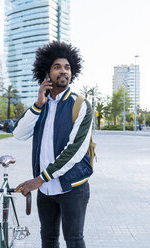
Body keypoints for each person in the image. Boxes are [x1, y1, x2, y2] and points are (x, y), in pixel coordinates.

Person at [13, 41, 93, 248]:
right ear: (47, 73)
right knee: (48, 240)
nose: (63, 71)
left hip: (72, 187)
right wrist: (38, 105)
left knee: (74, 240)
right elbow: (19, 134)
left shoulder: (80, 105)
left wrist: (40, 178)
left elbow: (75, 150)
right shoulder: (41, 106)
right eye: (57, 67)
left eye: (67, 67)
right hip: (46, 190)